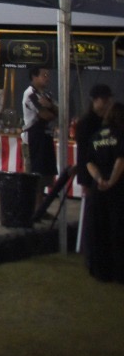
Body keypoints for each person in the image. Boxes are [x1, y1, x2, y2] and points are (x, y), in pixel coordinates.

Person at [81, 87, 124, 282]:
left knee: (99, 228)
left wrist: (99, 180)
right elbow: (120, 161)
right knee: (116, 229)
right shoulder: (120, 135)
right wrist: (111, 181)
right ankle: (118, 271)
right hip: (117, 188)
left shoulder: (97, 135)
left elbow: (89, 161)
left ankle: (99, 269)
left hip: (98, 188)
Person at [22, 65, 59, 178]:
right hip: (33, 140)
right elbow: (46, 115)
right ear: (34, 77)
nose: (47, 78)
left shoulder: (47, 94)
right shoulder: (30, 94)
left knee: (48, 177)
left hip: (46, 138)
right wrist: (52, 111)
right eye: (44, 75)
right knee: (34, 177)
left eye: (48, 75)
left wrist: (50, 105)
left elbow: (60, 111)